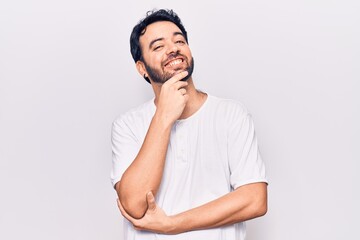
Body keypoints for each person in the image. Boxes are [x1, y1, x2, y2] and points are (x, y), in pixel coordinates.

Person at [111, 9, 268, 240]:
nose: (173, 48)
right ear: (141, 68)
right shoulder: (127, 125)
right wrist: (163, 117)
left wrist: (172, 225)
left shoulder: (231, 114)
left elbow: (255, 199)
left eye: (179, 41)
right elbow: (134, 205)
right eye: (158, 46)